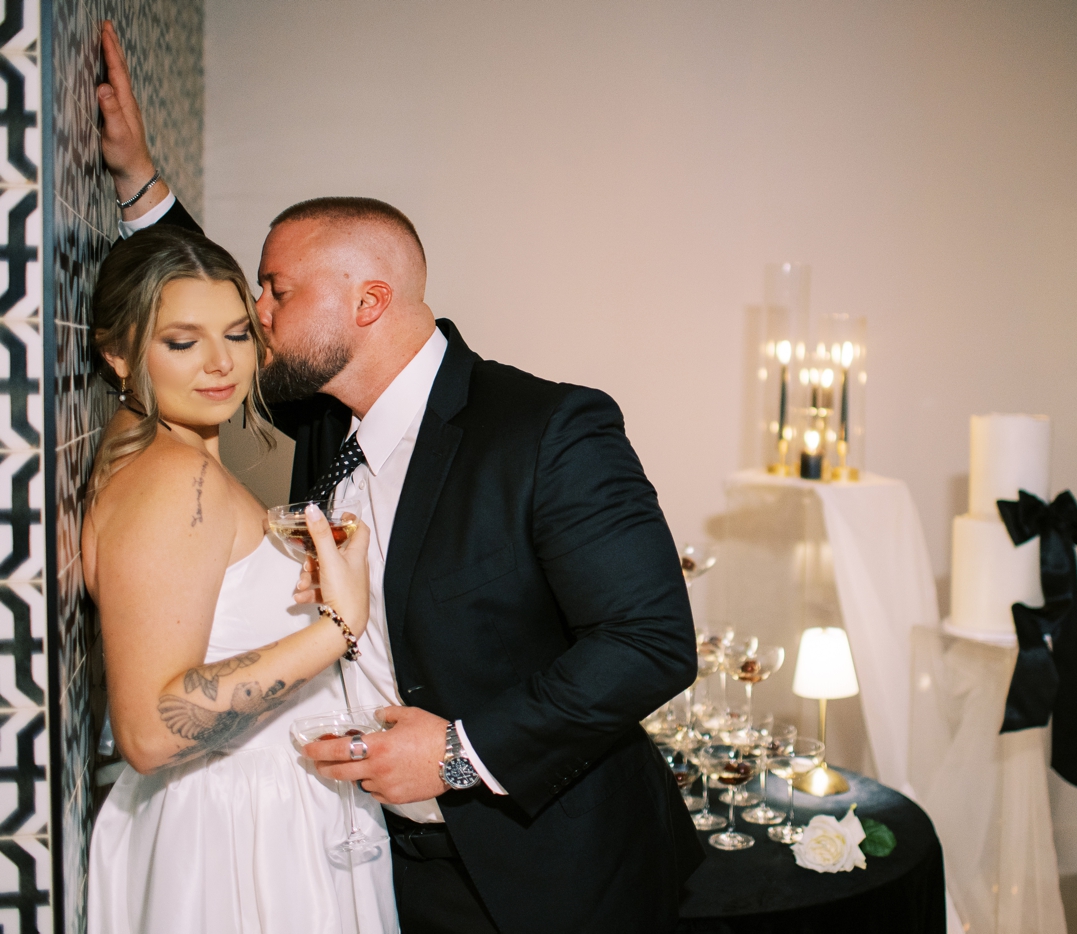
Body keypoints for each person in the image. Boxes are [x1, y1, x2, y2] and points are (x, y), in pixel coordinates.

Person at [97, 21, 704, 934]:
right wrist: (143, 188)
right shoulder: (317, 418)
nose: (255, 319)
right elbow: (194, 333)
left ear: (366, 303)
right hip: (385, 866)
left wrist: (461, 755)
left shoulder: (546, 429)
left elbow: (651, 642)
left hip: (552, 873)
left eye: (276, 291)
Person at [81, 223, 396, 934]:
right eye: (183, 341)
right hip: (231, 837)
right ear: (119, 355)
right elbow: (150, 731)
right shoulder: (174, 479)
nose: (222, 364)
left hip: (248, 812)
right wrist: (336, 628)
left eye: (238, 334)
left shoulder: (177, 459)